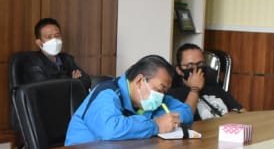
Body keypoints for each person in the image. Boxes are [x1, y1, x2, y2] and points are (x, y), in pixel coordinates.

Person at [64, 54, 192, 144]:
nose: (161, 96)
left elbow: (187, 112)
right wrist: (155, 125)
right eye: (160, 89)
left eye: (165, 91)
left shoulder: (150, 99)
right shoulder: (108, 93)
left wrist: (166, 119)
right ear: (140, 80)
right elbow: (109, 130)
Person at [169, 43, 244, 120]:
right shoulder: (173, 94)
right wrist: (195, 89)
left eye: (200, 64)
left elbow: (241, 111)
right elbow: (182, 120)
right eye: (189, 65)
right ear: (179, 70)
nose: (196, 68)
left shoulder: (212, 85)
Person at [19, 17, 90, 90]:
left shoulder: (66, 58)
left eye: (57, 35)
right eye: (49, 37)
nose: (54, 40)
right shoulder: (33, 63)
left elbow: (86, 81)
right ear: (39, 43)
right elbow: (46, 89)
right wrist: (72, 82)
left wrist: (69, 84)